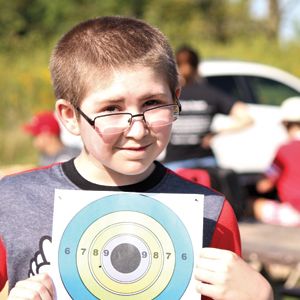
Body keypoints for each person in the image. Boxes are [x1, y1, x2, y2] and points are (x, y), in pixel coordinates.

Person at [0, 16, 272, 300]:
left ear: (176, 97)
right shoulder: (13, 200)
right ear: (70, 116)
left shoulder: (212, 212)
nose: (138, 129)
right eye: (112, 108)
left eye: (153, 103)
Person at [162, 45, 253, 170]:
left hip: (175, 164)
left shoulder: (168, 94)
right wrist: (216, 133)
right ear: (197, 66)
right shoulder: (210, 93)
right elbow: (247, 119)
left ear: (175, 66)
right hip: (206, 163)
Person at [253, 97, 300, 226]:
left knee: (256, 205)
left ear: (287, 124)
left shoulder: (284, 150)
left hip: (294, 212)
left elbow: (264, 185)